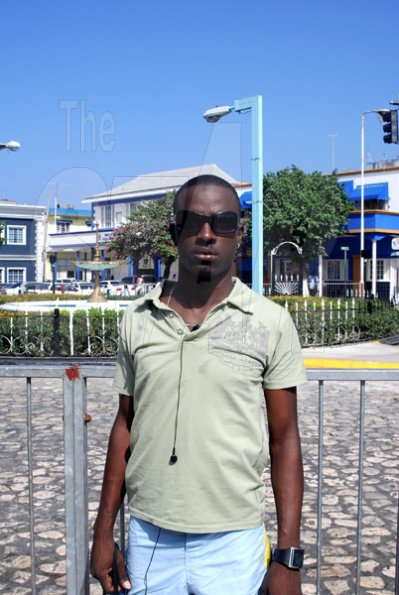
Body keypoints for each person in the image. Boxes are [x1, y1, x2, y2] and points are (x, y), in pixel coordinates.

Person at [90, 174, 307, 595]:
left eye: (223, 223)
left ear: (239, 235)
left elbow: (285, 440)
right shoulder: (138, 319)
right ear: (175, 233)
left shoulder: (269, 322)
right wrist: (103, 532)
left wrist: (288, 556)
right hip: (150, 538)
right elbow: (124, 427)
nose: (208, 235)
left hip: (233, 542)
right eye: (193, 222)